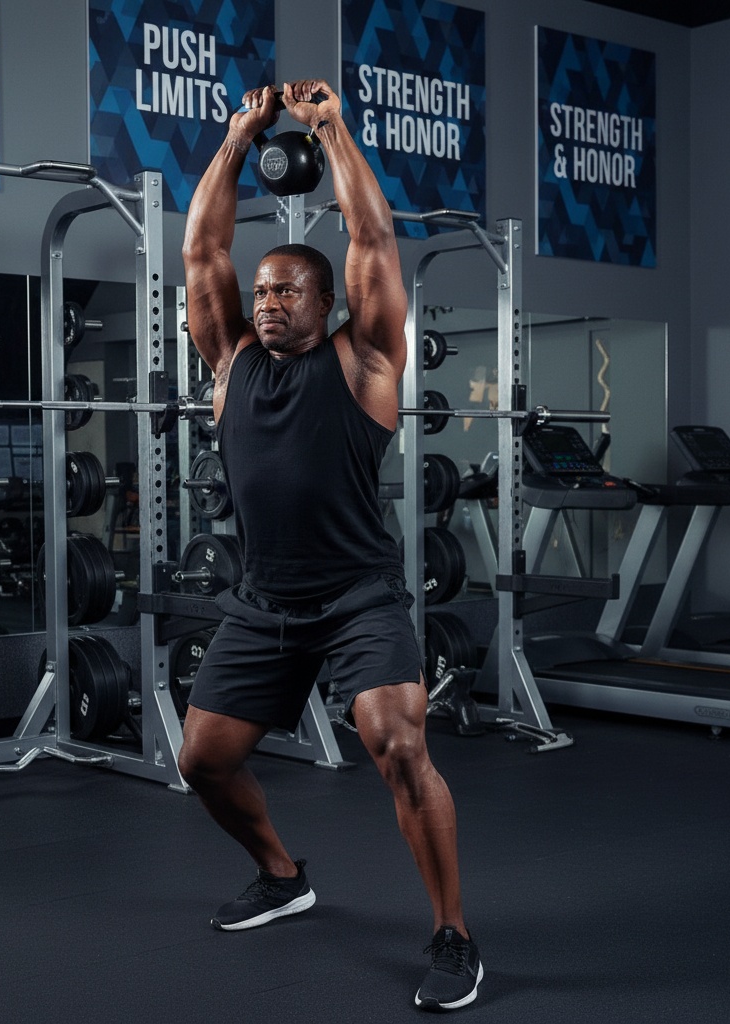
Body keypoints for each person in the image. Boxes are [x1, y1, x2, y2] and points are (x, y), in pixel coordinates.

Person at [179, 79, 481, 1013]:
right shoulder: (229, 364)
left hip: (357, 597)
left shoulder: (366, 362)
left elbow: (375, 242)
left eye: (286, 290)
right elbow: (202, 248)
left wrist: (330, 129)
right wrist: (238, 138)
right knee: (202, 761)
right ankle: (283, 873)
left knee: (394, 743)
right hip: (264, 602)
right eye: (261, 290)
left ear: (325, 302)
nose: (266, 302)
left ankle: (453, 936)